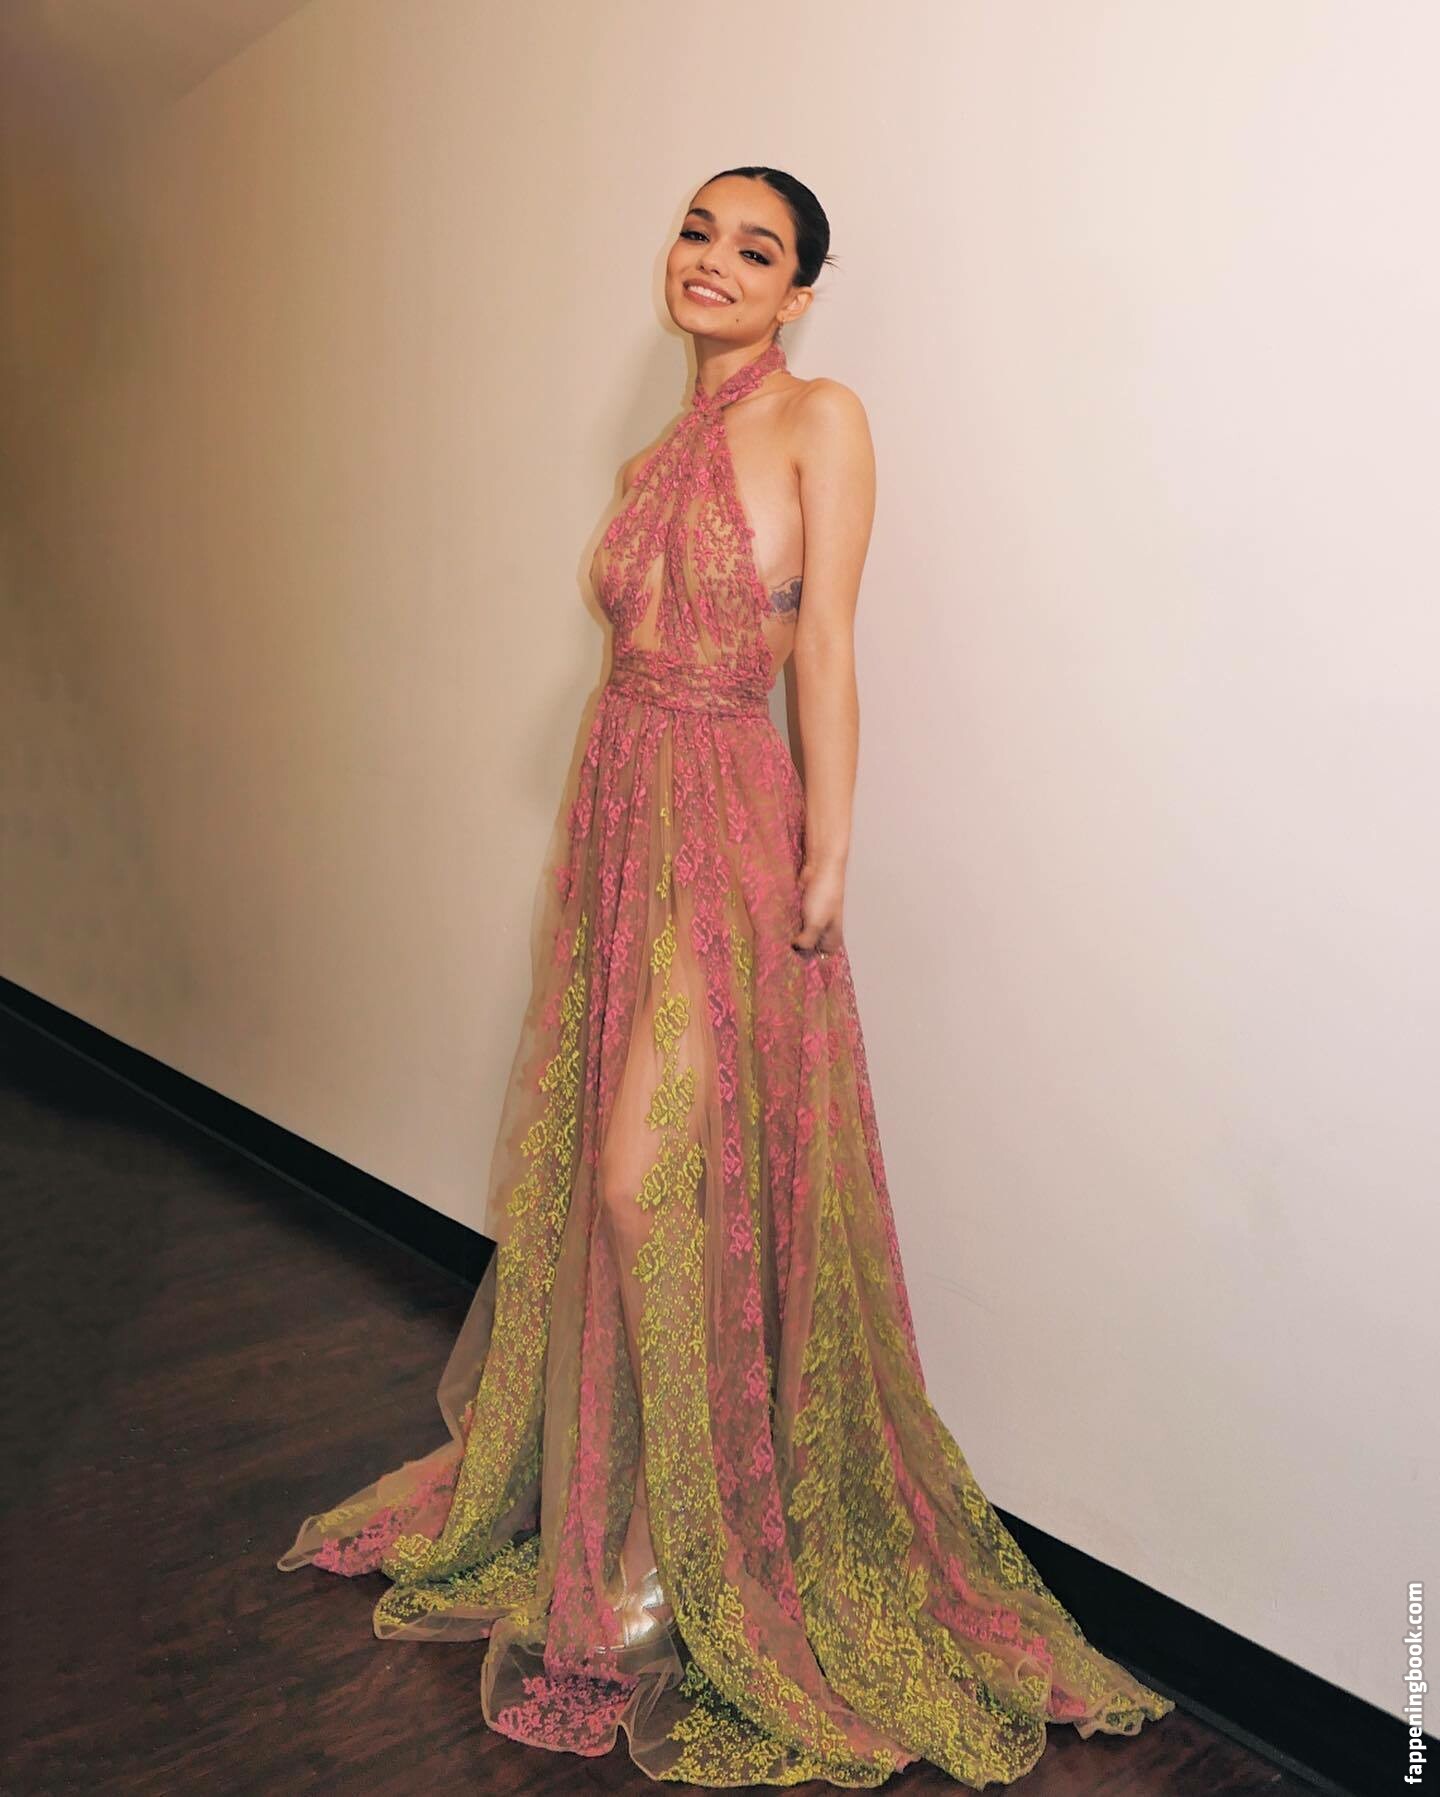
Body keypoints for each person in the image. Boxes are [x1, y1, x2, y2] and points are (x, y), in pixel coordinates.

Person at [276, 166, 1175, 1787]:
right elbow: (624, 662)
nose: (713, 261)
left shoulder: (823, 419)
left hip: (730, 824)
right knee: (613, 1185)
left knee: (649, 1183)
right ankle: (628, 1530)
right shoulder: (648, 461)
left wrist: (831, 849)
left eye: (755, 248)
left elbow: (823, 641)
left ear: (798, 291)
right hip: (622, 815)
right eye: (698, 230)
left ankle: (693, 1551)